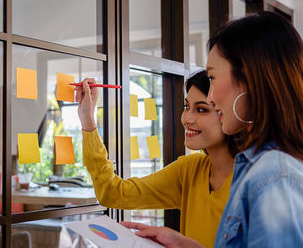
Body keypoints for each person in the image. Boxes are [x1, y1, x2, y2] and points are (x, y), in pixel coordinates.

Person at [124, 11, 303, 247]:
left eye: (212, 78)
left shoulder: (275, 175)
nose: (211, 97)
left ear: (249, 78)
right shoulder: (256, 165)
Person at [76, 70, 238, 247]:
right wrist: (87, 119)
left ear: (230, 113)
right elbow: (112, 193)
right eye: (186, 107)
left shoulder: (255, 178)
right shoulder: (189, 170)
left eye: (201, 109)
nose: (187, 119)